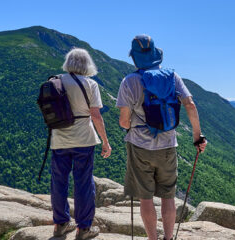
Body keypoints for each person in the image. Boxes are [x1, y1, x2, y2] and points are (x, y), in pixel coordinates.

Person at [117, 35, 207, 240]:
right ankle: (168, 238)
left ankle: (152, 239)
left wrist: (132, 125)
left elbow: (123, 122)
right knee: (168, 196)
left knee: (145, 198)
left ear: (135, 59)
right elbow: (190, 105)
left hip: (139, 146)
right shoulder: (172, 77)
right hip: (167, 145)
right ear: (156, 55)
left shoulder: (129, 82)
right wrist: (197, 136)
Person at [49, 48, 112, 239]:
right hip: (84, 139)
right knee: (83, 182)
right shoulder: (90, 84)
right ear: (87, 64)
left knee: (58, 181)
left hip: (59, 138)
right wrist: (105, 142)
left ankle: (60, 224)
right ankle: (83, 228)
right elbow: (96, 116)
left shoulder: (55, 81)